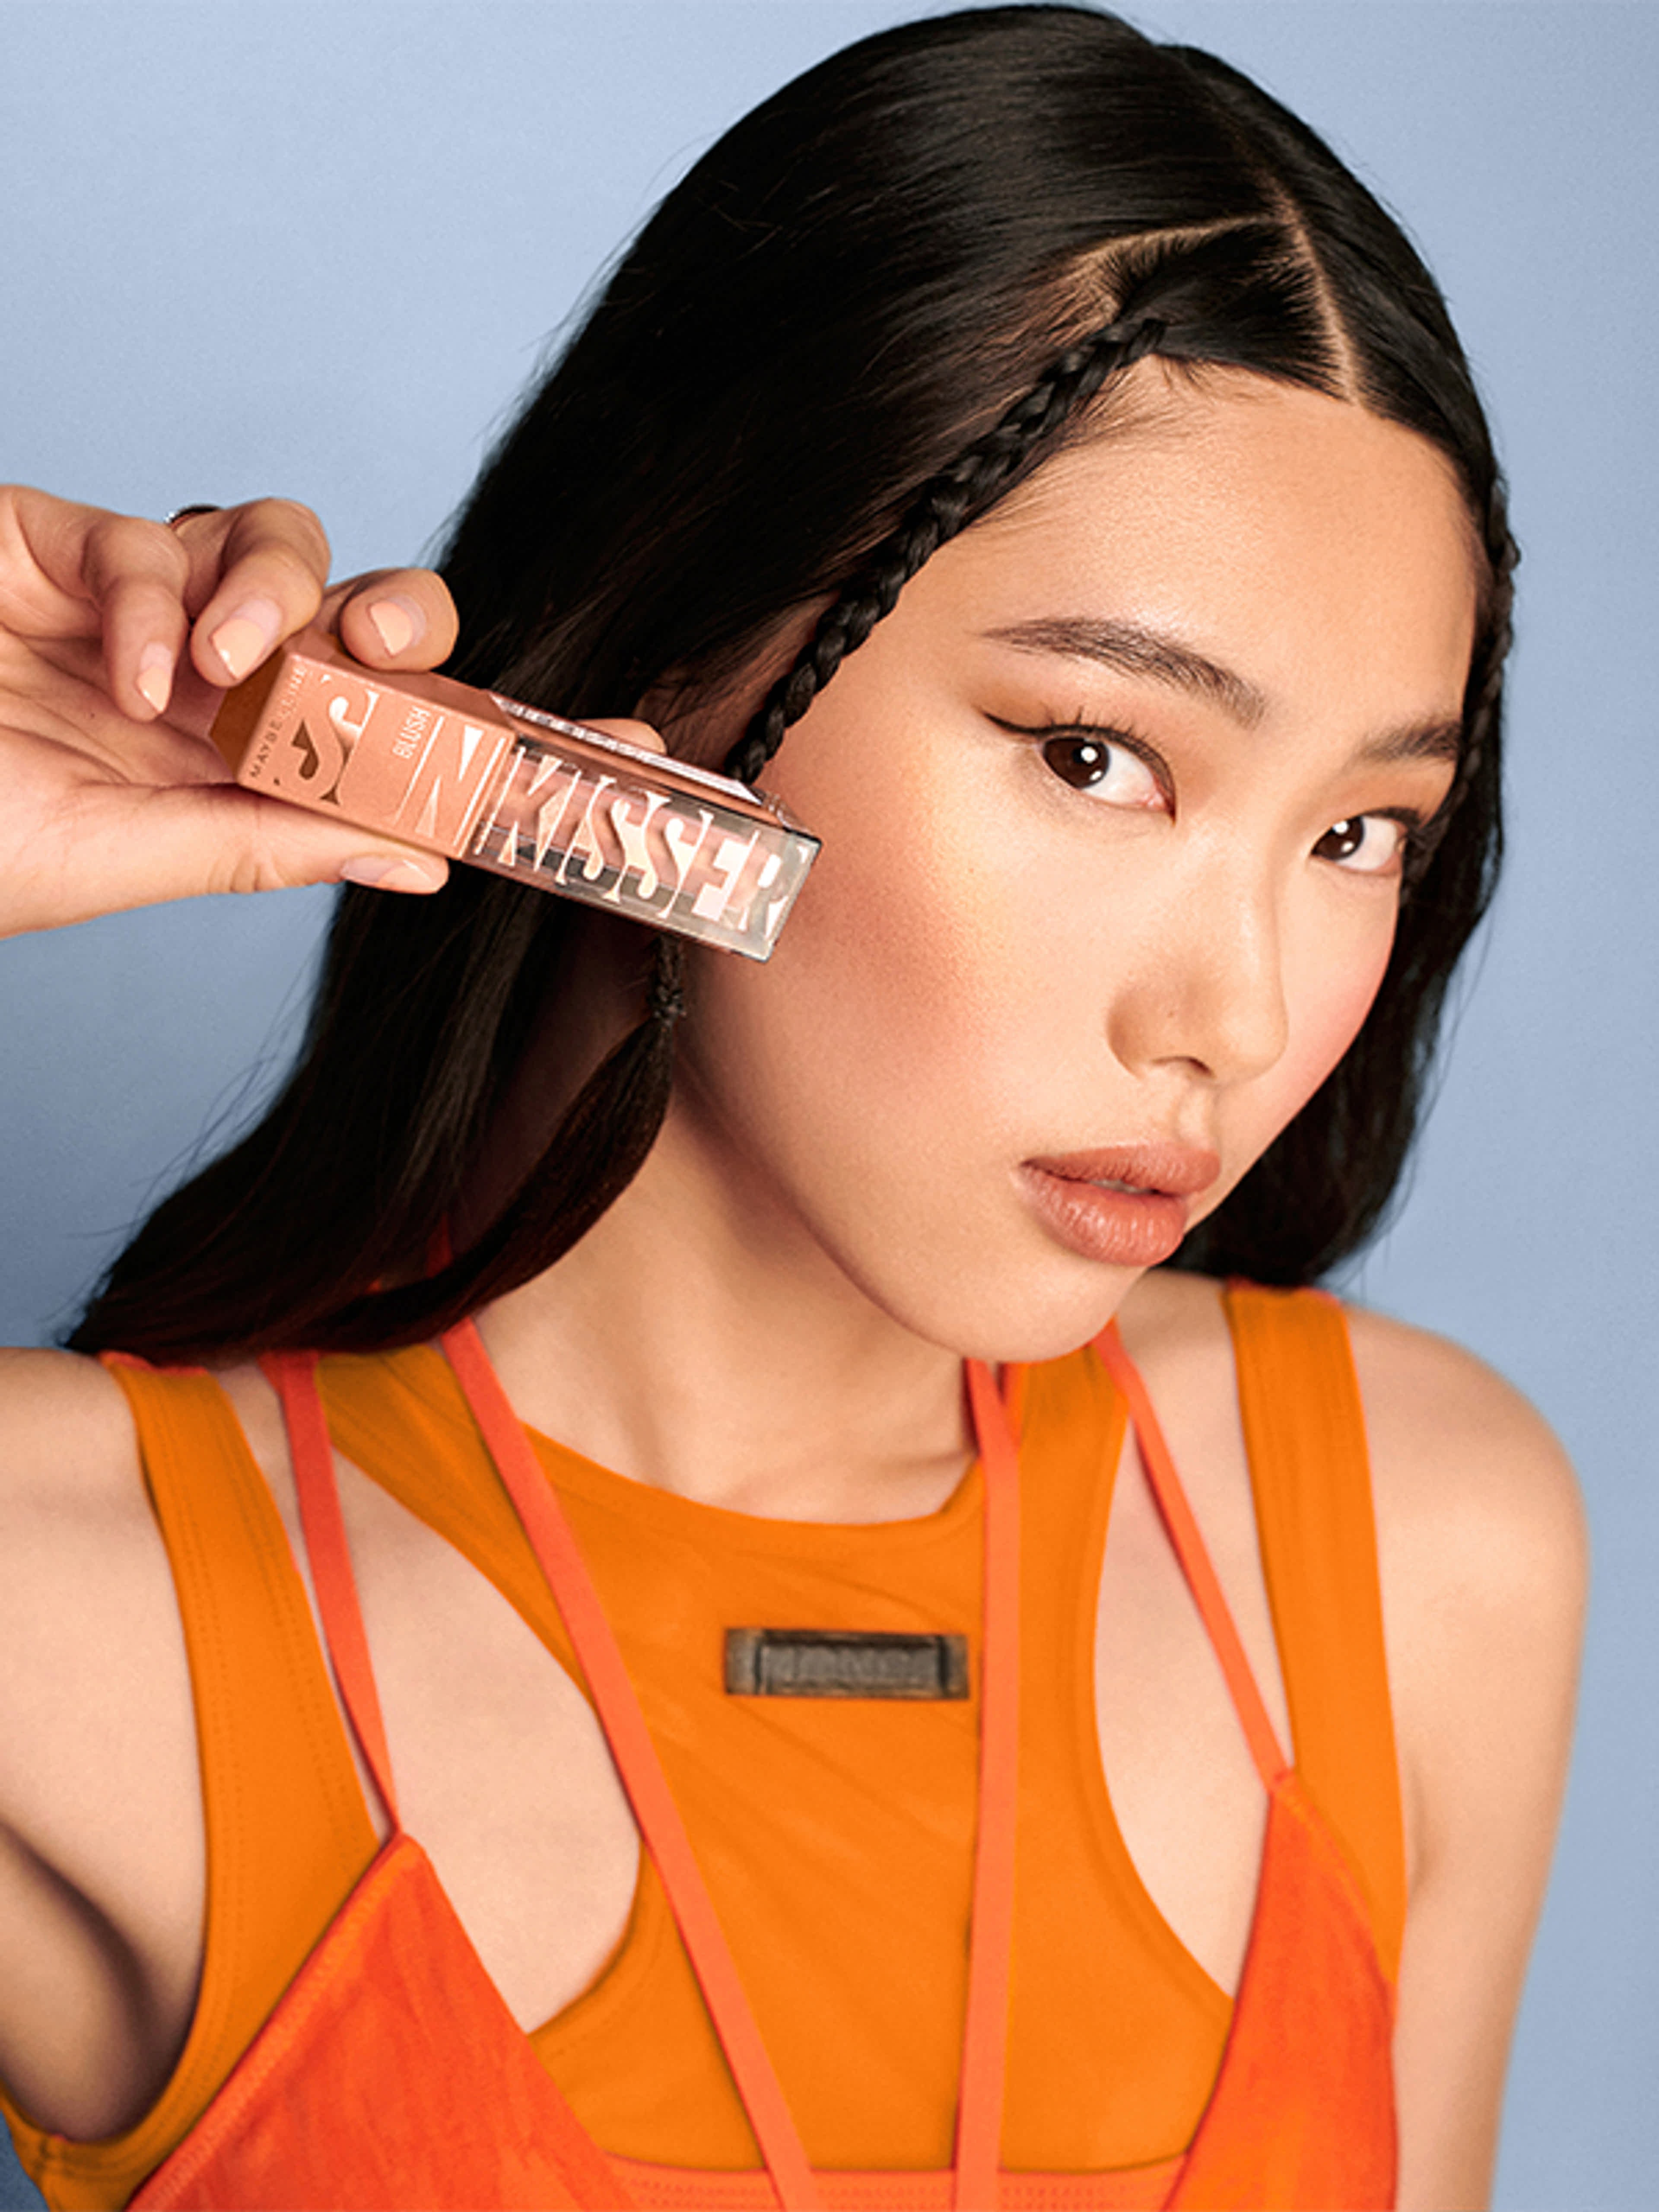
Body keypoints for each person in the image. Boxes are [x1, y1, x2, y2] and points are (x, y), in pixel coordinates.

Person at [0, 6, 1586, 2208]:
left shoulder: (1423, 1547)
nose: (1235, 1014)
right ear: (666, 671)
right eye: (1095, 755)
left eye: (1358, 832)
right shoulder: (67, 1599)